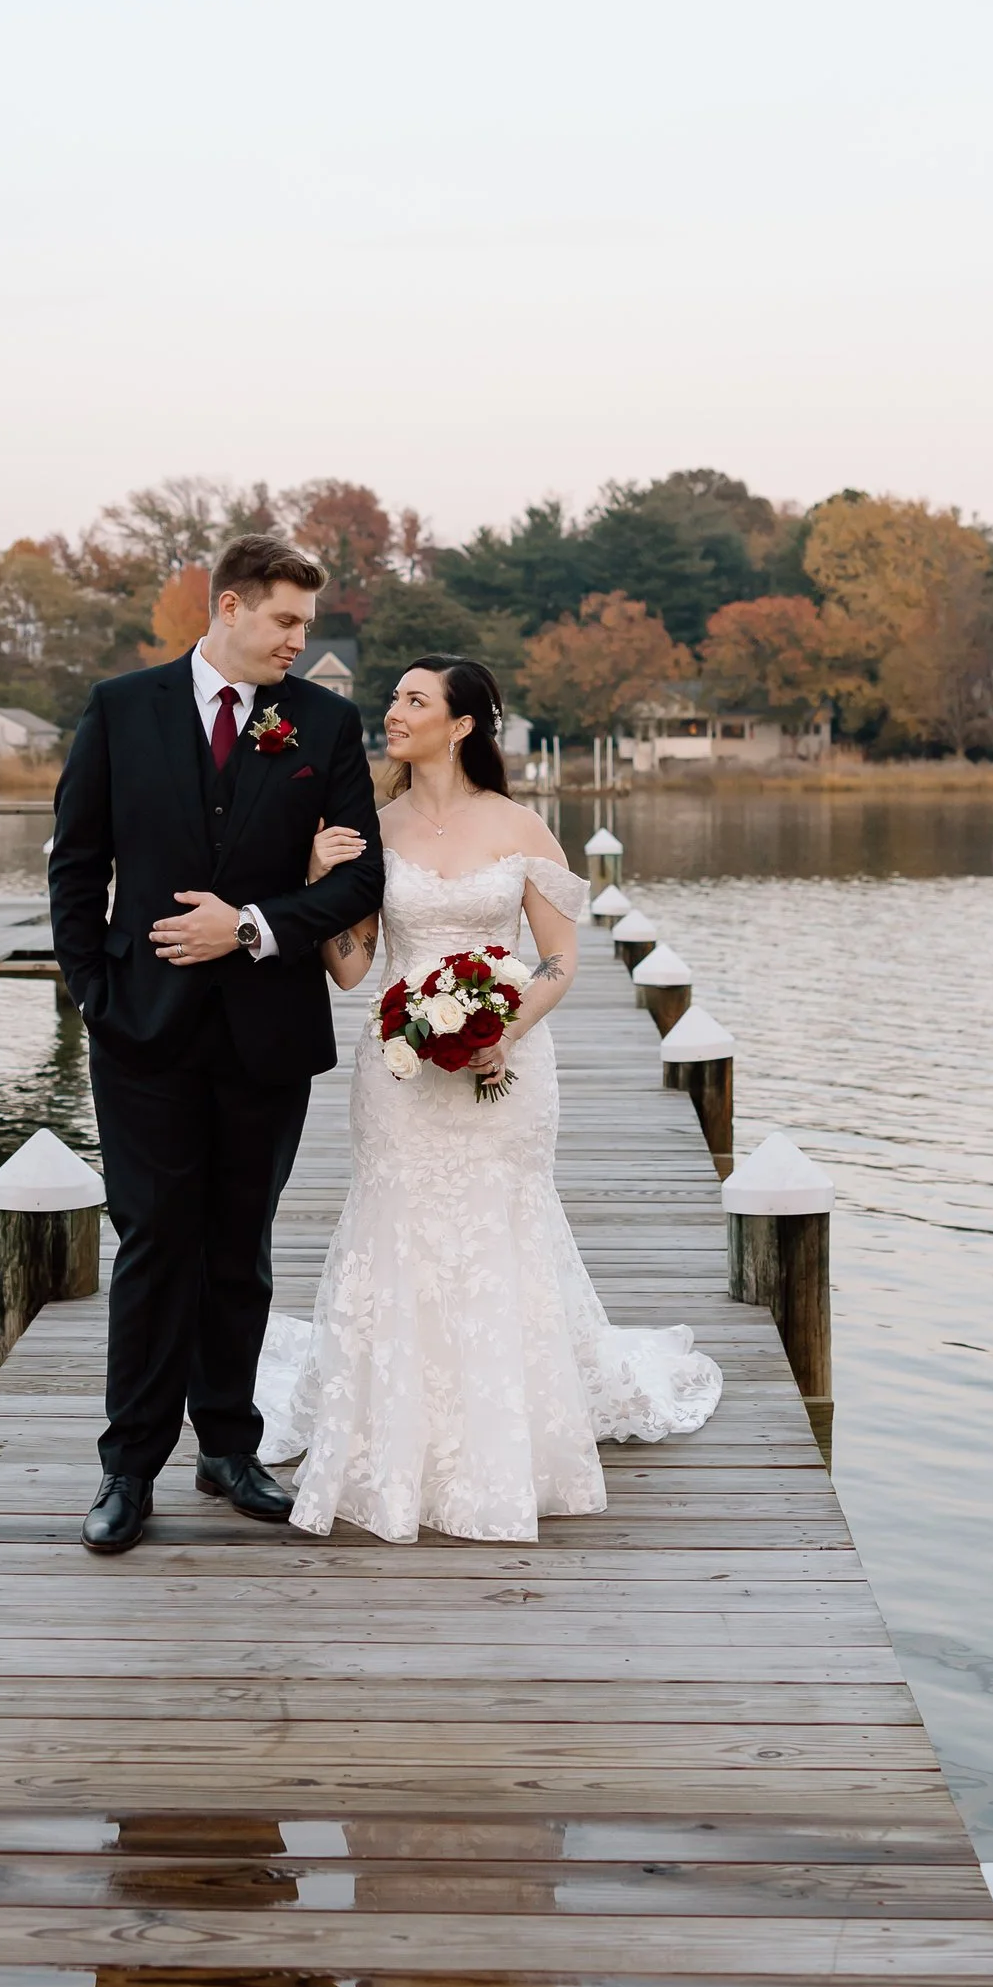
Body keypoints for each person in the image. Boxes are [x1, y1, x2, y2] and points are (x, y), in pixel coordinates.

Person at [256, 655, 719, 1541]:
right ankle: (390, 1433)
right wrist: (316, 884)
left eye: (414, 700)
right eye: (394, 698)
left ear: (461, 724)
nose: (394, 712)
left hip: (504, 1069)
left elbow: (559, 960)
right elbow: (352, 970)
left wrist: (501, 1030)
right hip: (397, 1072)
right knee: (399, 1222)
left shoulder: (520, 826)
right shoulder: (371, 828)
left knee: (496, 1226)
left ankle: (504, 1437)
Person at [47, 531, 384, 1555]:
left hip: (267, 1029)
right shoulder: (121, 709)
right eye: (284, 620)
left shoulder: (323, 722)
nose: (297, 641)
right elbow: (76, 864)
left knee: (241, 1246)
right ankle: (127, 1467)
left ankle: (229, 1449)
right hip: (140, 1029)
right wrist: (95, 992)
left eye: (305, 624)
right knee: (154, 1243)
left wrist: (250, 926)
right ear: (228, 606)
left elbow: (360, 880)